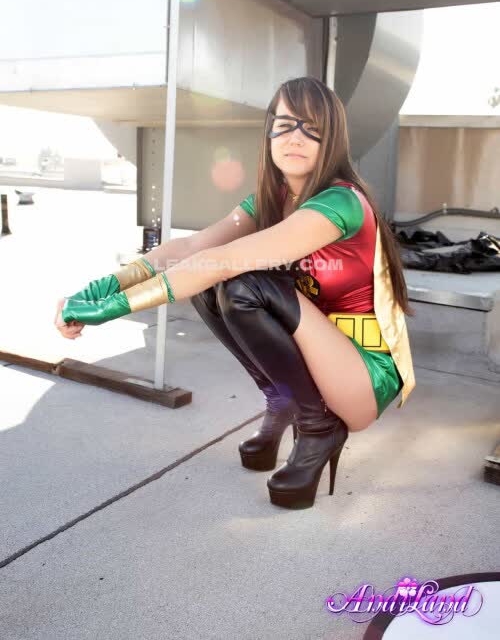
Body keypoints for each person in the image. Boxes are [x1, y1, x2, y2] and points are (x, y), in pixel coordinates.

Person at [55, 76, 416, 510]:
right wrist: (98, 290)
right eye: (284, 125)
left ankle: (318, 425)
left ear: (333, 138)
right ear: (269, 133)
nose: (295, 137)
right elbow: (191, 247)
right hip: (317, 345)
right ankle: (282, 400)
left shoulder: (340, 202)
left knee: (242, 284)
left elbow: (222, 260)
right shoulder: (272, 198)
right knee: (211, 285)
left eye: (312, 127)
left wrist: (116, 308)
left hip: (362, 369)